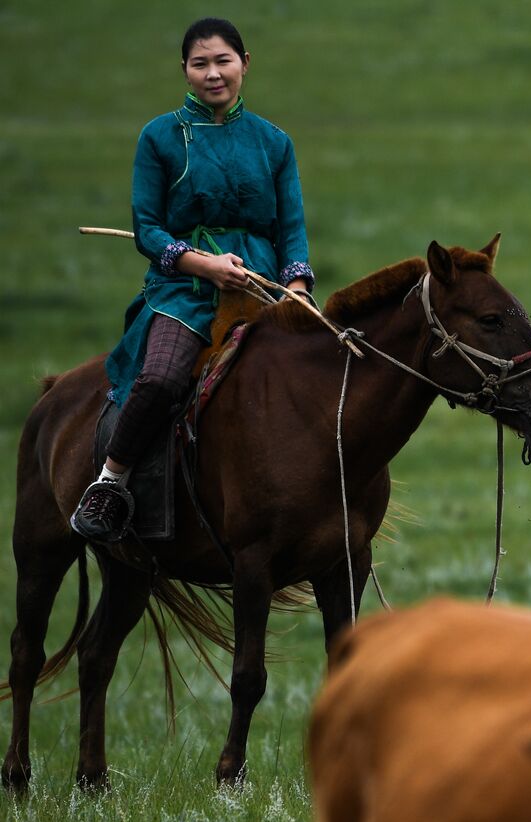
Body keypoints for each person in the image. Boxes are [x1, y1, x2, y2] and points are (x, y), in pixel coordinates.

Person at [71, 17, 315, 542]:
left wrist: (295, 289)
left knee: (316, 380)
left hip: (262, 288)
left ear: (245, 65)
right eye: (200, 63)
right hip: (184, 290)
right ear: (184, 70)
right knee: (160, 379)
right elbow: (148, 229)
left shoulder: (275, 142)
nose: (213, 74)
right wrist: (204, 265)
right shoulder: (159, 137)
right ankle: (110, 483)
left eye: (223, 61)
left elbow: (291, 228)